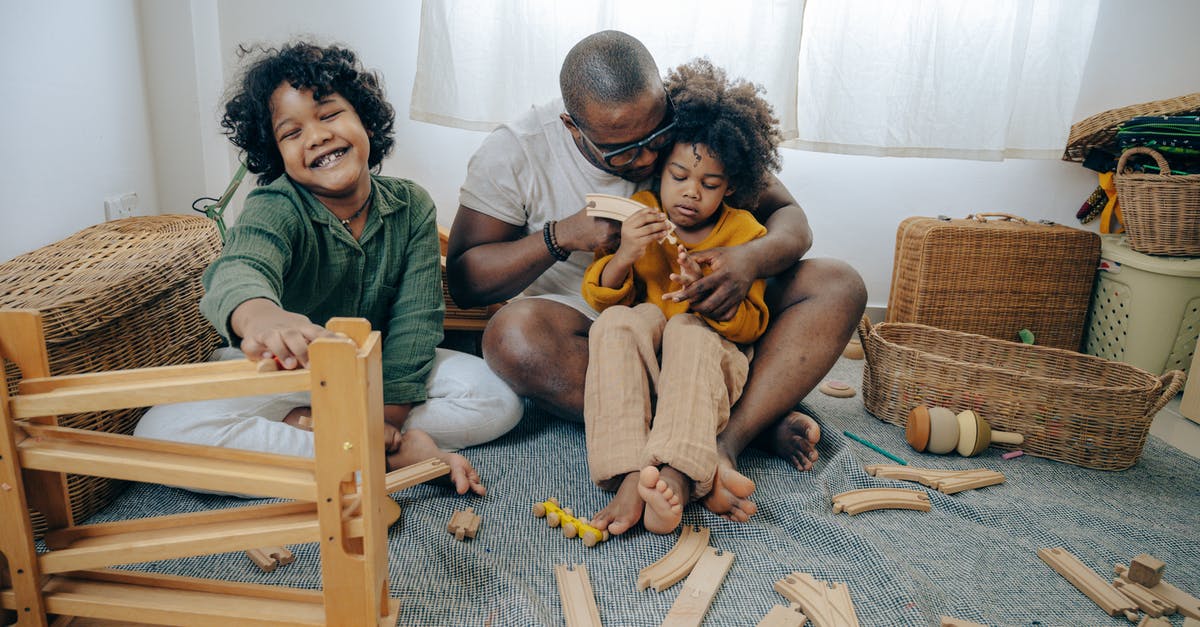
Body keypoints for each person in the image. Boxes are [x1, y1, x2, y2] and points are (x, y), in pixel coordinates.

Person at [448, 31, 866, 520]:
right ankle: (726, 423)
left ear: (663, 100)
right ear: (572, 127)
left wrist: (747, 262)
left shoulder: (685, 119)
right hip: (593, 332)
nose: (647, 160)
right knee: (513, 337)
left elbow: (791, 219)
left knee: (840, 284)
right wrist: (560, 237)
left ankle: (726, 442)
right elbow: (464, 279)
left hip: (705, 322)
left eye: (655, 139)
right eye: (623, 153)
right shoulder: (515, 152)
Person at [134, 41, 523, 496]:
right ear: (275, 154)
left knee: (498, 400)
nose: (315, 136)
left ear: (366, 122)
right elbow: (240, 268)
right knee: (160, 432)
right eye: (291, 132)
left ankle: (337, 444)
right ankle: (376, 455)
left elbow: (415, 324)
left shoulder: (410, 204)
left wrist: (387, 419)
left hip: (371, 372)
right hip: (283, 377)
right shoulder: (274, 206)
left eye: (328, 114)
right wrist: (263, 316)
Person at [582, 59, 779, 534]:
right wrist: (626, 253)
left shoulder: (743, 232)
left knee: (688, 330)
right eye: (678, 177)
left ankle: (678, 470)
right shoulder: (642, 212)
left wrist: (706, 294)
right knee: (617, 323)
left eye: (709, 184)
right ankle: (630, 470)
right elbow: (599, 297)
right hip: (653, 367)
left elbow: (752, 325)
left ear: (731, 186)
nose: (691, 194)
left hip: (709, 366)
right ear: (659, 171)